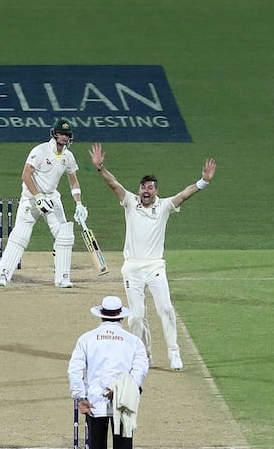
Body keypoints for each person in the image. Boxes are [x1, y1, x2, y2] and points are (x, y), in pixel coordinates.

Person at [89, 142, 217, 370]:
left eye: (151, 188)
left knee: (166, 309)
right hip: (132, 268)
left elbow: (184, 195)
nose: (146, 191)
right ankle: (143, 355)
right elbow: (113, 184)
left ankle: (174, 353)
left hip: (155, 267)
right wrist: (100, 168)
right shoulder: (129, 202)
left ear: (156, 191)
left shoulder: (165, 206)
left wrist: (203, 182)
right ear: (139, 189)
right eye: (143, 187)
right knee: (136, 317)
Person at [68, 295, 149, 449]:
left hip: (94, 401)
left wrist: (80, 397)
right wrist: (123, 389)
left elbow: (75, 370)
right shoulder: (133, 341)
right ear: (121, 317)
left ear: (102, 315)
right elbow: (140, 369)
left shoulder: (87, 338)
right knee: (123, 448)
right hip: (124, 401)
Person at [0, 120, 89, 288]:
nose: (64, 137)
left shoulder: (68, 156)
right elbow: (25, 175)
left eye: (67, 135)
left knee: (65, 234)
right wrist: (37, 197)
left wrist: (79, 204)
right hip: (31, 197)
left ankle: (62, 278)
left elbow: (73, 182)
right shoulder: (40, 151)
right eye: (61, 134)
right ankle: (3, 274)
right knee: (20, 235)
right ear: (54, 134)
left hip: (52, 197)